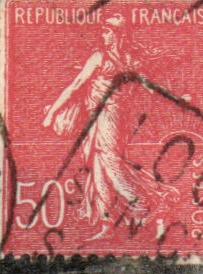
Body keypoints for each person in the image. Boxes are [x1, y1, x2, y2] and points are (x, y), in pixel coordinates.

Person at [41, 14, 170, 239]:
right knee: (97, 165)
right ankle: (106, 223)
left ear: (119, 34)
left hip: (114, 117)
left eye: (109, 31)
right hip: (95, 116)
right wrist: (53, 110)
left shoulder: (127, 60)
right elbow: (76, 86)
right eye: (103, 30)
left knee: (110, 162)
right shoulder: (100, 57)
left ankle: (144, 202)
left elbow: (150, 87)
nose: (104, 35)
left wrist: (176, 100)